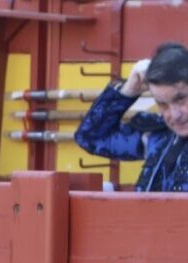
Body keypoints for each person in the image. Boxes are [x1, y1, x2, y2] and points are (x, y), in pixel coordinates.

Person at [75, 42, 188, 193]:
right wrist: (128, 90)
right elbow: (90, 137)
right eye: (163, 105)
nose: (175, 115)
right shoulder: (159, 138)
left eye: (180, 99)